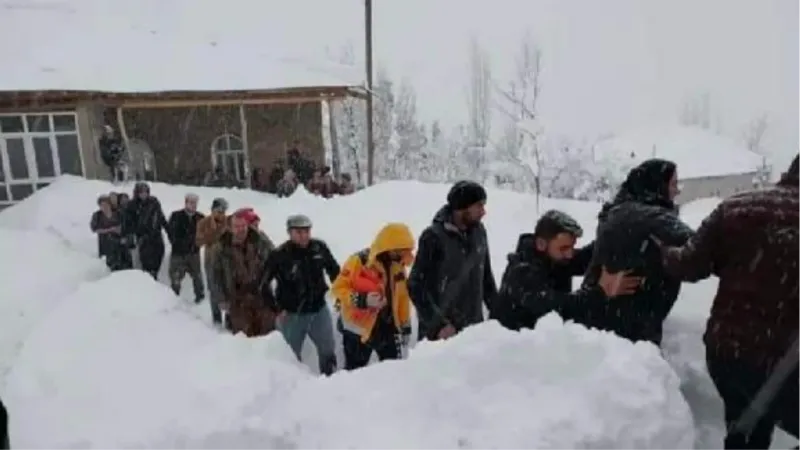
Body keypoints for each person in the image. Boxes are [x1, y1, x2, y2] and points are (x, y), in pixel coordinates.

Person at [653, 152, 800, 450]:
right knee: (756, 418)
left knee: (746, 423)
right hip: (788, 363)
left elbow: (689, 265)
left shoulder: (736, 208)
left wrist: (664, 251)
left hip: (729, 352)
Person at [580, 158, 693, 345]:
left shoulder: (622, 209)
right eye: (673, 184)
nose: (677, 190)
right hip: (629, 329)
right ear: (656, 185)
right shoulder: (646, 216)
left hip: (610, 320)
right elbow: (700, 244)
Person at [492, 210, 640, 331]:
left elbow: (584, 257)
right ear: (541, 244)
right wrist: (601, 291)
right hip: (509, 356)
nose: (570, 254)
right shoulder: (521, 273)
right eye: (564, 248)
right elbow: (559, 307)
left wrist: (615, 235)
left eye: (572, 247)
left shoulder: (553, 258)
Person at [408, 180, 497, 341]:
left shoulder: (480, 233)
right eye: (479, 206)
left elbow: (487, 279)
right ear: (462, 207)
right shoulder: (433, 237)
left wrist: (499, 314)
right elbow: (416, 285)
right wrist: (439, 325)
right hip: (441, 337)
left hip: (473, 331)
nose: (483, 212)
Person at [261, 214, 340, 375]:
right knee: (290, 355)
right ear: (289, 233)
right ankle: (294, 387)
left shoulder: (319, 248)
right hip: (291, 315)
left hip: (319, 311)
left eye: (306, 231)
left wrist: (340, 295)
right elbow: (263, 285)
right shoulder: (280, 254)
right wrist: (276, 309)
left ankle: (330, 382)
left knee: (327, 350)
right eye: (298, 232)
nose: (304, 235)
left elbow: (336, 273)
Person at [331, 223, 415, 370]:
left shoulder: (398, 266)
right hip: (359, 330)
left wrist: (405, 324)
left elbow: (402, 297)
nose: (402, 254)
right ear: (388, 247)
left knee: (393, 371)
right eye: (399, 250)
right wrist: (362, 299)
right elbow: (338, 288)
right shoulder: (358, 262)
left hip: (387, 327)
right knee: (354, 374)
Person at [212, 209, 274, 337]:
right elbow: (215, 276)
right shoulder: (222, 247)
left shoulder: (258, 239)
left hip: (261, 294)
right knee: (244, 337)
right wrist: (221, 299)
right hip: (237, 298)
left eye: (243, 226)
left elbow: (275, 256)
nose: (241, 230)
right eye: (237, 226)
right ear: (230, 228)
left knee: (268, 335)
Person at [196, 198, 229, 327]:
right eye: (219, 211)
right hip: (211, 259)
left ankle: (229, 319)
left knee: (228, 287)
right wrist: (214, 233)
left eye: (223, 211)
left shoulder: (229, 221)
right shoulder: (203, 223)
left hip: (227, 259)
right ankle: (216, 319)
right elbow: (199, 241)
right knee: (213, 288)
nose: (221, 214)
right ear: (213, 210)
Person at [166, 193, 205, 302]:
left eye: (195, 203)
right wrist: (178, 243)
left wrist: (198, 243)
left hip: (194, 253)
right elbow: (171, 233)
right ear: (186, 203)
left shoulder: (200, 218)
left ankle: (200, 300)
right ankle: (173, 300)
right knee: (176, 278)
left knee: (198, 278)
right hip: (178, 254)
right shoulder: (176, 216)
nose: (193, 205)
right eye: (191, 202)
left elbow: (205, 234)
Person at [124, 182, 168, 280]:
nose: (144, 194)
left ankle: (155, 274)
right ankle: (149, 278)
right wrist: (132, 234)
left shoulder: (154, 201)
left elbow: (161, 216)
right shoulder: (132, 205)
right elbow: (128, 222)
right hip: (143, 236)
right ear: (137, 193)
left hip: (156, 234)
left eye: (145, 192)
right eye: (141, 192)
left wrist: (168, 230)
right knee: (146, 259)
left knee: (159, 254)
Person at [89, 194, 131, 271]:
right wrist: (111, 230)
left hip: (120, 245)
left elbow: (125, 226)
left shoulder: (118, 214)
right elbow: (94, 229)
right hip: (106, 245)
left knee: (125, 267)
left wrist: (123, 234)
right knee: (109, 268)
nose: (104, 207)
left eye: (106, 204)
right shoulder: (97, 215)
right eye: (102, 205)